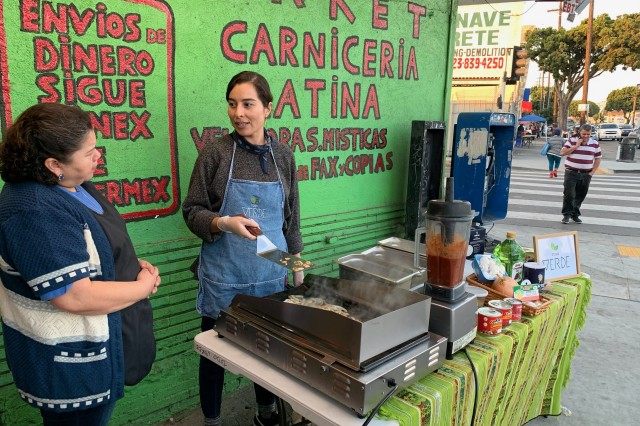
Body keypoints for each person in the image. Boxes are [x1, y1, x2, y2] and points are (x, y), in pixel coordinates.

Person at [0, 103, 161, 425]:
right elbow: (73, 295)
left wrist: (123, 262)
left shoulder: (72, 186)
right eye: (88, 152)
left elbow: (88, 247)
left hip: (108, 341)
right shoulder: (33, 209)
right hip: (72, 364)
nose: (98, 155)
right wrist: (140, 287)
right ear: (53, 164)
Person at [182, 70, 304, 426]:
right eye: (232, 104)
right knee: (214, 353)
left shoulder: (283, 156)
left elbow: (291, 214)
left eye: (248, 104)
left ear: (268, 108)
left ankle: (266, 414)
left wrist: (296, 262)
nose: (239, 113)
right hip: (226, 274)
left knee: (265, 351)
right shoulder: (215, 155)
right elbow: (191, 210)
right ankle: (212, 420)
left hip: (269, 270)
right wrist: (223, 223)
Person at [559, 124, 602, 224]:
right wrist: (576, 146)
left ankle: (575, 214)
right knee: (569, 194)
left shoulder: (595, 143)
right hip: (571, 172)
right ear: (580, 132)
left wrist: (592, 172)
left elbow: (598, 158)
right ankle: (567, 214)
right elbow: (562, 153)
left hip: (586, 174)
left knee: (581, 195)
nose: (586, 136)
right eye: (584, 134)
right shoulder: (572, 141)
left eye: (588, 134)